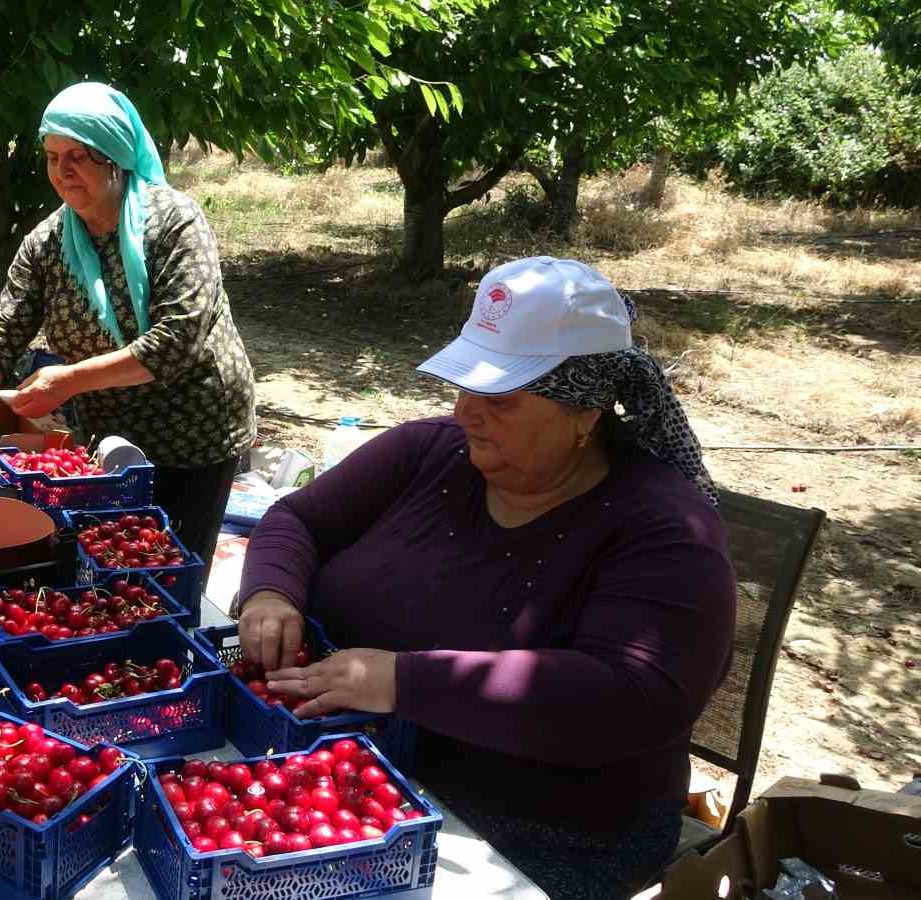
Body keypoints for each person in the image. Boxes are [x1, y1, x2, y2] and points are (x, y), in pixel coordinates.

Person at [235, 257, 734, 899]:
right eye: (464, 384)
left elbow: (631, 700)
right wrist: (272, 590)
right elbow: (296, 518)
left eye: (499, 399)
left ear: (586, 413)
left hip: (540, 834)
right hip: (359, 771)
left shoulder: (664, 531)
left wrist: (406, 682)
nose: (467, 411)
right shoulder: (431, 451)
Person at [0, 82, 256, 572]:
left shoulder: (174, 224)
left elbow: (178, 340)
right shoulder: (49, 242)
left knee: (170, 569)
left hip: (195, 434)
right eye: (51, 156)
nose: (62, 172)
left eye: (78, 156)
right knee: (110, 566)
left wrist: (68, 381)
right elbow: (1, 331)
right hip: (109, 438)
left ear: (115, 158)